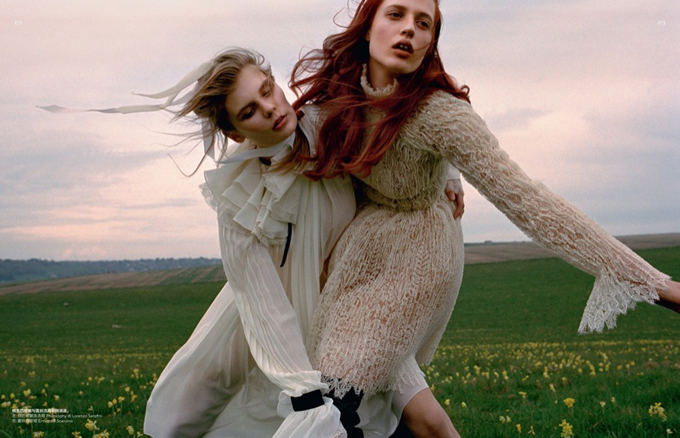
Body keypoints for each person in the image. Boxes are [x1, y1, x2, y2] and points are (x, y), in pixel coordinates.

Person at [289, 0, 680, 436]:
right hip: (360, 256)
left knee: (331, 397)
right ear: (368, 27)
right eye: (396, 15)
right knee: (405, 412)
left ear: (430, 43)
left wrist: (655, 284)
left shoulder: (440, 114)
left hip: (419, 259)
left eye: (423, 24)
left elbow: (531, 202)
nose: (410, 30)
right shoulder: (341, 102)